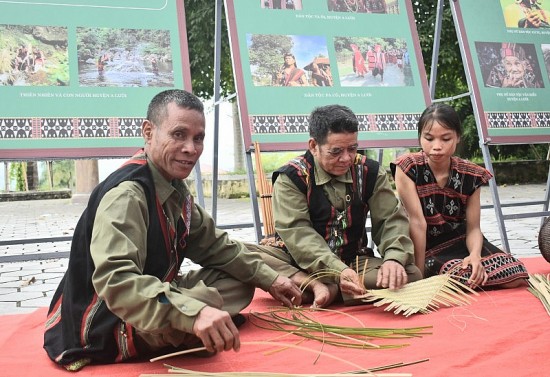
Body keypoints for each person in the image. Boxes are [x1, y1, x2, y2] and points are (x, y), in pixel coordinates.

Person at [43, 89, 302, 371]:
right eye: (179, 134)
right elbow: (117, 282)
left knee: (239, 279)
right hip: (107, 318)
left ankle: (189, 322)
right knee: (203, 300)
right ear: (148, 132)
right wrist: (194, 311)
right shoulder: (128, 196)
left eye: (198, 138)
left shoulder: (173, 187)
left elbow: (218, 247)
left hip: (154, 293)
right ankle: (188, 326)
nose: (191, 148)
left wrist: (272, 279)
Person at [249, 104, 422, 309]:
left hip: (353, 262)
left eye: (352, 148)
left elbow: (390, 221)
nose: (347, 158)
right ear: (314, 145)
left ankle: (321, 290)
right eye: (336, 151)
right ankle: (312, 284)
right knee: (243, 254)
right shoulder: (291, 178)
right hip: (296, 262)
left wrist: (394, 258)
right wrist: (336, 270)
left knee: (410, 273)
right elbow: (299, 235)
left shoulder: (370, 172)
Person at [390, 103, 529, 289]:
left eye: (446, 139)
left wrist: (475, 256)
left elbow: (473, 229)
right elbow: (417, 223)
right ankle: (439, 274)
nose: (437, 147)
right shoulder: (407, 167)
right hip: (424, 245)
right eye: (429, 138)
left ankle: (467, 274)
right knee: (462, 275)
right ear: (419, 138)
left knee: (515, 273)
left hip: (460, 240)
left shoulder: (472, 175)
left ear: (457, 138)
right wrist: (419, 276)